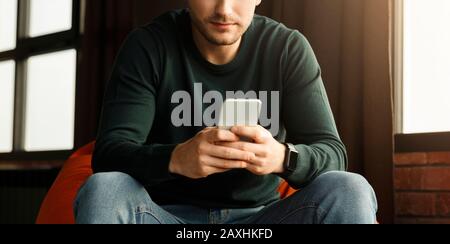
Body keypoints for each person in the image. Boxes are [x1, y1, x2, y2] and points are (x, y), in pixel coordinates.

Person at [74, 0, 378, 224]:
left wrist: (282, 157)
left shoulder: (286, 47)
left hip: (262, 221)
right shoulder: (149, 46)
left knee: (349, 188)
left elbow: (333, 153)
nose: (224, 9)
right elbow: (109, 154)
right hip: (165, 216)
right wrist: (176, 159)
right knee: (104, 188)